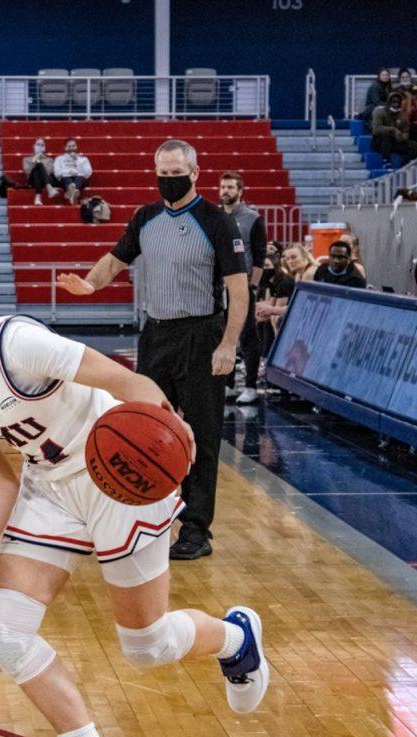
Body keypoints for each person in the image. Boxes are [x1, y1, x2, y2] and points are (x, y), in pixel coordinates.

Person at [0, 248, 269, 737]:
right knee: (3, 631)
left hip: (120, 475)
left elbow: (127, 384)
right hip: (51, 487)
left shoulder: (14, 344)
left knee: (147, 646)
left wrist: (173, 442)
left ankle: (236, 639)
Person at [57, 139, 249, 561]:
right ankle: (141, 521)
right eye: (162, 173)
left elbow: (239, 289)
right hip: (156, 336)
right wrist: (90, 284)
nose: (169, 180)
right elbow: (114, 260)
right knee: (142, 428)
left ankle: (196, 530)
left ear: (195, 173)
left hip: (201, 336)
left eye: (176, 172)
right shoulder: (146, 217)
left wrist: (228, 345)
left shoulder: (216, 222)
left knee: (201, 433)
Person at [219, 171, 267, 406]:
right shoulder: (214, 217)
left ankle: (250, 386)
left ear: (240, 191)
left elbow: (260, 256)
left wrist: (253, 287)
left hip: (242, 285)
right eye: (222, 187)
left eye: (230, 187)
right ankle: (226, 384)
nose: (225, 191)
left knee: (247, 336)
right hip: (218, 286)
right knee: (221, 335)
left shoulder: (252, 218)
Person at [370, 92, 417, 167]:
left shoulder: (402, 116)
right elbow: (376, 129)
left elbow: (406, 132)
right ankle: (386, 161)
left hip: (395, 141)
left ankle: (404, 165)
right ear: (389, 102)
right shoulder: (380, 112)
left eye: (398, 102)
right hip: (379, 142)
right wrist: (392, 130)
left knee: (413, 145)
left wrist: (402, 137)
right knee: (387, 137)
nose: (396, 105)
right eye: (394, 102)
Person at [53, 139, 93, 206]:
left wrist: (77, 161)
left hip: (80, 179)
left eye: (73, 146)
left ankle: (71, 193)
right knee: (67, 180)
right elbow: (57, 173)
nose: (71, 148)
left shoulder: (83, 159)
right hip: (65, 179)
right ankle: (74, 194)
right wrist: (69, 171)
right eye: (69, 146)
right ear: (65, 148)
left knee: (79, 178)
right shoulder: (59, 159)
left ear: (76, 147)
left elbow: (88, 173)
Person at [22, 138, 59, 205]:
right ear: (34, 146)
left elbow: (49, 172)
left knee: (39, 166)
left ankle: (38, 196)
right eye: (38, 144)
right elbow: (27, 171)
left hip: (47, 179)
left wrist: (40, 161)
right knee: (36, 167)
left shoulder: (49, 160)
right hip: (32, 180)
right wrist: (36, 158)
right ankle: (49, 188)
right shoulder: (26, 159)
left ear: (44, 148)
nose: (40, 146)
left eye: (42, 145)